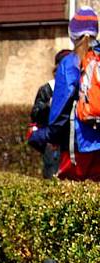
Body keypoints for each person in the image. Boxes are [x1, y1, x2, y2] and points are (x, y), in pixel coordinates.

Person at [29, 7, 100, 181]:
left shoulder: (70, 63)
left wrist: (40, 136)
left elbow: (60, 114)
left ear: (72, 33)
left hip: (78, 148)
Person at [29, 49, 71, 179]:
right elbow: (36, 113)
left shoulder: (79, 85)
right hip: (54, 145)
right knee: (53, 180)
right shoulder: (48, 88)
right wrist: (50, 107)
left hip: (74, 144)